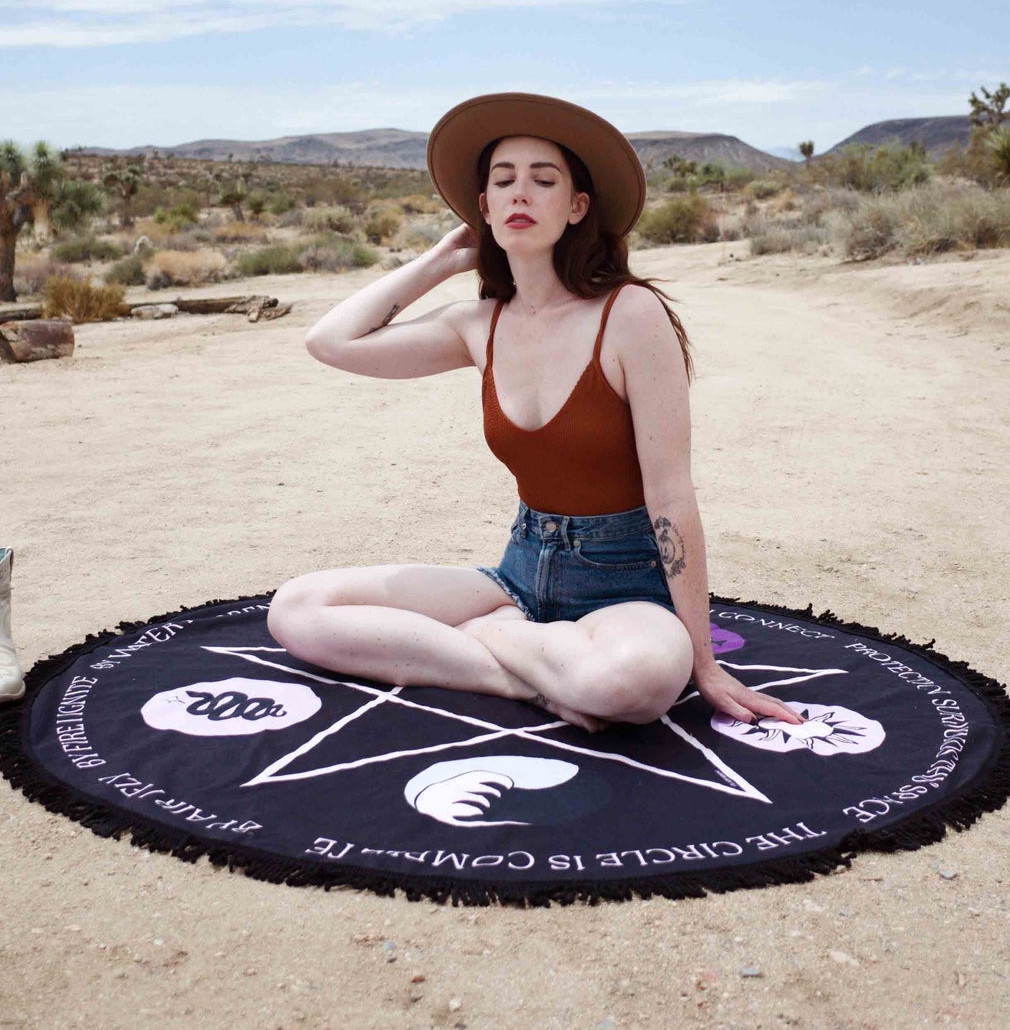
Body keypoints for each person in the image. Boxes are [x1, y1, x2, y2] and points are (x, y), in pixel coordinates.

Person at [267, 91, 804, 736]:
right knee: (297, 608)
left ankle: (493, 639)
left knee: (636, 683)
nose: (520, 193)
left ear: (578, 207)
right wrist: (442, 260)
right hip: (519, 575)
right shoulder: (477, 325)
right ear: (484, 208)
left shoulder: (631, 314)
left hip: (624, 585)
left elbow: (671, 493)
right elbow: (330, 342)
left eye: (543, 180)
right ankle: (522, 675)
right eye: (503, 181)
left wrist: (704, 663)